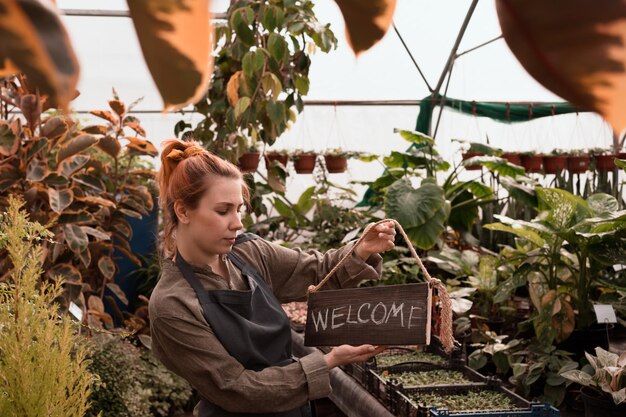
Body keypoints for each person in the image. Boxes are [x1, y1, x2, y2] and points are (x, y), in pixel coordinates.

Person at [149, 139, 397, 417]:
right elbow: (237, 388)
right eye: (223, 211)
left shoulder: (249, 254)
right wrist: (327, 362)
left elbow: (317, 271)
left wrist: (361, 249)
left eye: (239, 209)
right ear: (183, 211)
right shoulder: (172, 304)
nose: (238, 222)